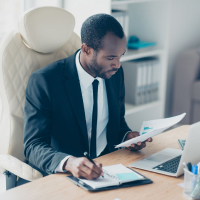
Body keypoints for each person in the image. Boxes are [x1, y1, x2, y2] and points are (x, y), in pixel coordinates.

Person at [24, 13, 152, 181]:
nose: (118, 64)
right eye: (111, 57)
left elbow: (118, 123)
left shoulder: (114, 73)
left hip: (106, 169)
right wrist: (68, 162)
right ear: (86, 49)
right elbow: (33, 146)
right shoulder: (44, 81)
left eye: (121, 56)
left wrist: (127, 137)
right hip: (64, 176)